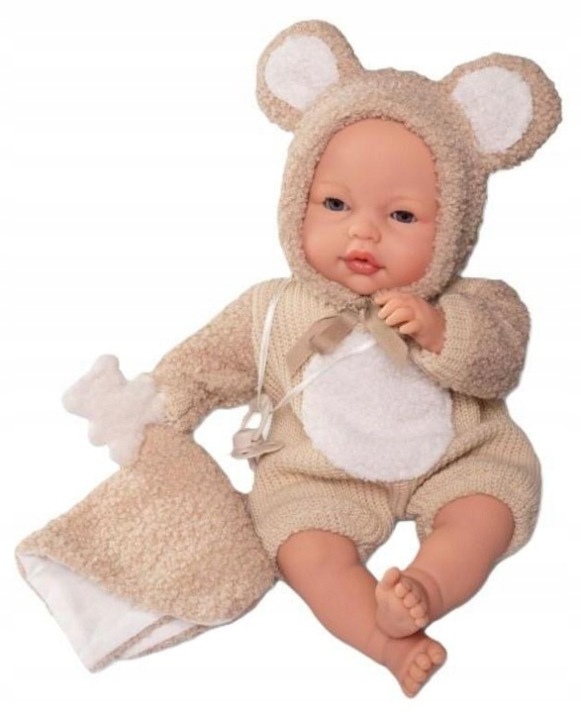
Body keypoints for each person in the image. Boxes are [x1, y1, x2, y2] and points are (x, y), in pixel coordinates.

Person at [16, 20, 561, 695]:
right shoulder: (274, 307)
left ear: (456, 222)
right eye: (334, 203)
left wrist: (441, 329)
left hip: (457, 458)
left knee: (486, 510)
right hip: (317, 477)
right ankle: (385, 640)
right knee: (304, 551)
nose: (362, 230)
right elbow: (205, 362)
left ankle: (425, 584)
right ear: (295, 198)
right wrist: (159, 407)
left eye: (400, 216)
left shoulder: (476, 301)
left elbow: (499, 361)